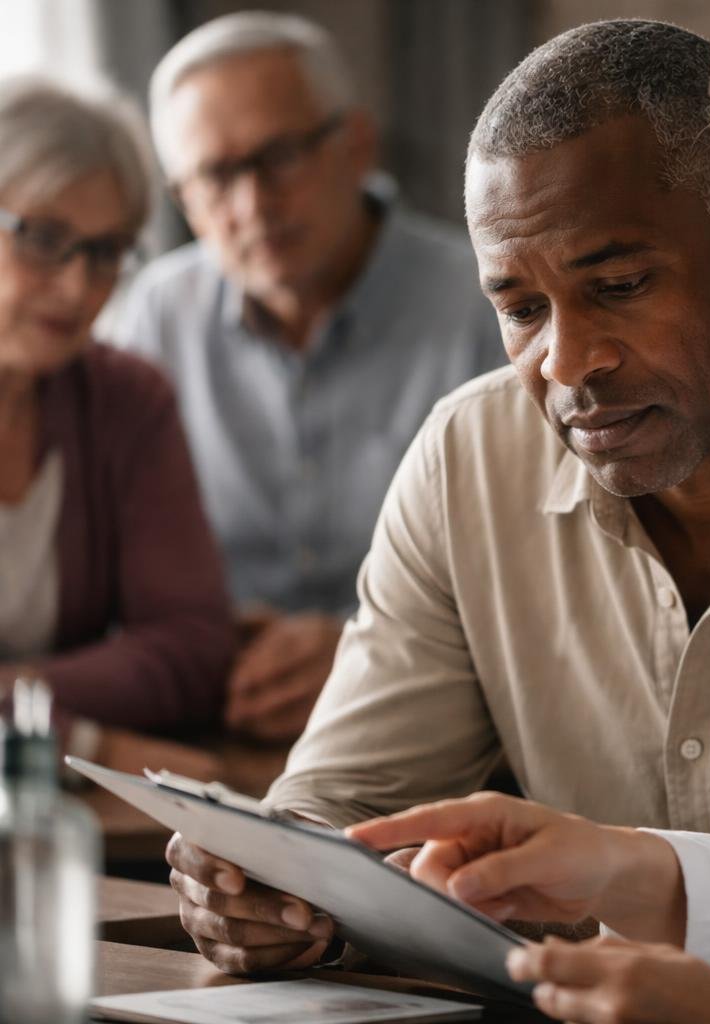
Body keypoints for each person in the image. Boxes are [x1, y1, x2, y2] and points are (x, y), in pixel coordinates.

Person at [165, 20, 710, 975]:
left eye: (620, 285)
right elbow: (344, 803)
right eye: (520, 310)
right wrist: (271, 880)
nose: (567, 362)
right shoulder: (470, 461)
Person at [115, 11, 504, 741]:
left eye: (279, 157)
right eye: (215, 176)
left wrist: (369, 648)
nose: (253, 205)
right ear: (180, 198)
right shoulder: (155, 317)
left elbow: (534, 576)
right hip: (212, 724)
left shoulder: (489, 304)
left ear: (356, 143)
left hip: (432, 723)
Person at [0, 76, 235, 770]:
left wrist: (17, 701)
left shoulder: (126, 398)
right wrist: (85, 735)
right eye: (44, 238)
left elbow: (192, 650)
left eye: (105, 252)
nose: (77, 286)